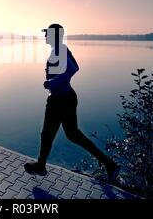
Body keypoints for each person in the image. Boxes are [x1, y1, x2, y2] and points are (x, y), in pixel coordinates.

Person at [24, 23, 120, 183]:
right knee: (70, 135)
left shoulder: (61, 50)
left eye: (47, 33)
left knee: (50, 134)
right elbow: (73, 68)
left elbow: (73, 68)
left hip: (61, 100)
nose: (45, 36)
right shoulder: (60, 49)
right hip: (64, 98)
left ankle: (41, 166)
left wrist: (53, 82)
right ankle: (110, 165)